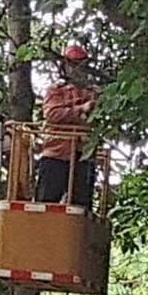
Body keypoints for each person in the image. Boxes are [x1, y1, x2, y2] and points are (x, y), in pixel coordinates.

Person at [36, 45, 101, 206]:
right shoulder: (56, 91)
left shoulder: (93, 93)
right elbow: (52, 114)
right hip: (57, 153)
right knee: (46, 202)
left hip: (83, 155)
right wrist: (81, 109)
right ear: (65, 65)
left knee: (81, 205)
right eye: (73, 64)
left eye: (82, 64)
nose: (78, 69)